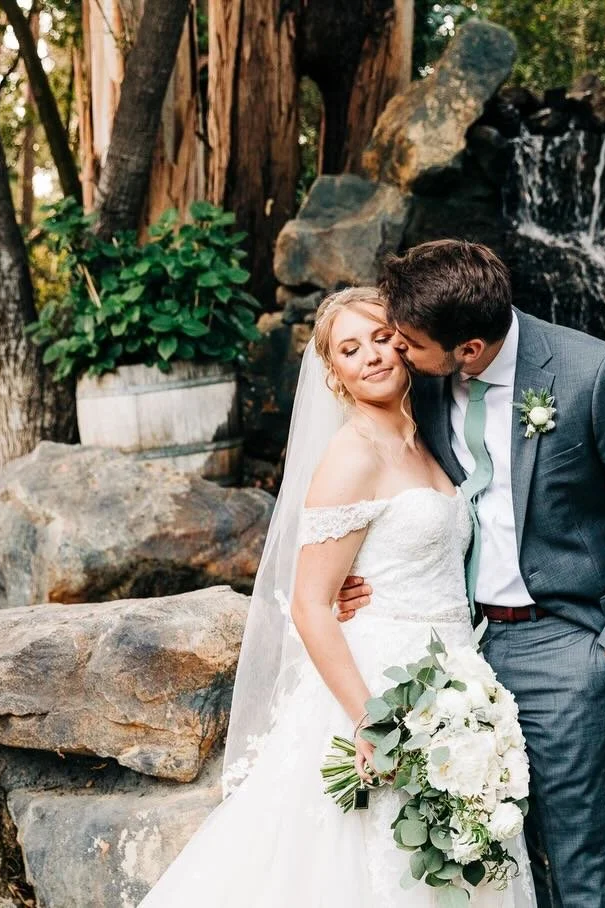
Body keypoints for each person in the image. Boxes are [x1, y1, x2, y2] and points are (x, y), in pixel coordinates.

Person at [137, 287, 536, 907]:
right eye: (350, 350)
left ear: (405, 346)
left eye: (381, 339)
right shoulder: (352, 452)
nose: (372, 357)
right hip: (381, 684)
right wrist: (371, 721)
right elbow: (308, 603)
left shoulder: (427, 434)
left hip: (455, 674)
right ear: (335, 372)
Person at [334, 240, 605, 908]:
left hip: (562, 644)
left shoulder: (592, 376)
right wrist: (353, 580)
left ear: (468, 349)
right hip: (446, 650)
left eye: (407, 345)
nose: (395, 356)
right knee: (480, 856)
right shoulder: (425, 376)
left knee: (576, 856)